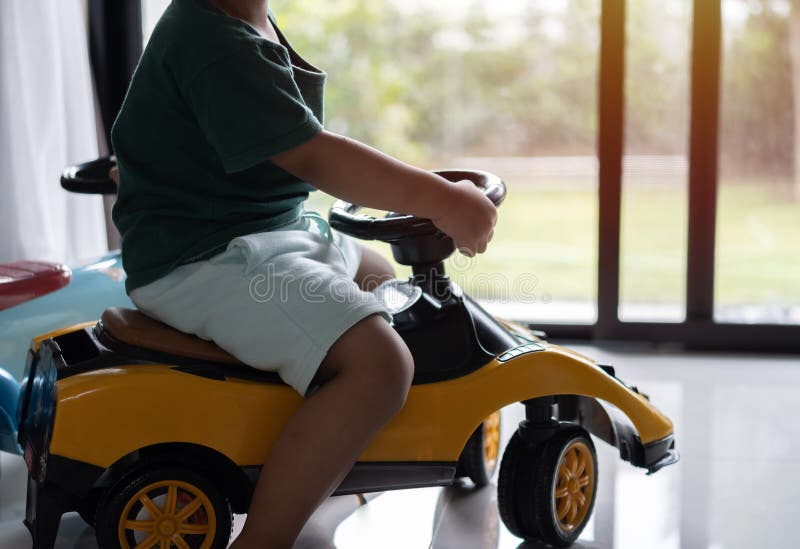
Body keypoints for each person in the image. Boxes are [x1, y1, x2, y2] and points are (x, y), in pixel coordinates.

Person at [110, 0, 496, 547]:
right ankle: (265, 537)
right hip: (206, 258)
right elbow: (316, 157)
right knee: (382, 365)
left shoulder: (242, 14)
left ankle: (333, 448)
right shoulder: (212, 41)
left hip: (265, 231)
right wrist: (442, 200)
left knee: (381, 277)